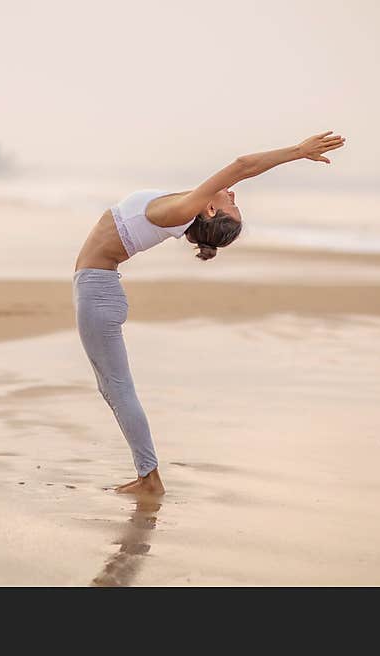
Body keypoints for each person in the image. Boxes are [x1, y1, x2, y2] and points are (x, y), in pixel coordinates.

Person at [72, 131, 347, 496]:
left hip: (98, 292)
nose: (232, 193)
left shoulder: (184, 210)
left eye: (232, 204)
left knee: (119, 390)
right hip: (98, 290)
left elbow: (242, 166)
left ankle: (149, 479)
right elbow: (235, 175)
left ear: (211, 210)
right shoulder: (186, 206)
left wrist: (299, 151)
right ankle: (146, 474)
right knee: (112, 389)